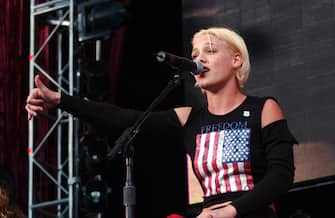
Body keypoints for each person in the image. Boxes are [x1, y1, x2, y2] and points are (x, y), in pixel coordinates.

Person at [25, 26, 297, 218]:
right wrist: (61, 100)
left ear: (236, 60)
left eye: (210, 51)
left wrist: (230, 211)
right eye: (193, 55)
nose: (198, 59)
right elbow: (123, 118)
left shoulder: (264, 108)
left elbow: (281, 175)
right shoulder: (189, 118)